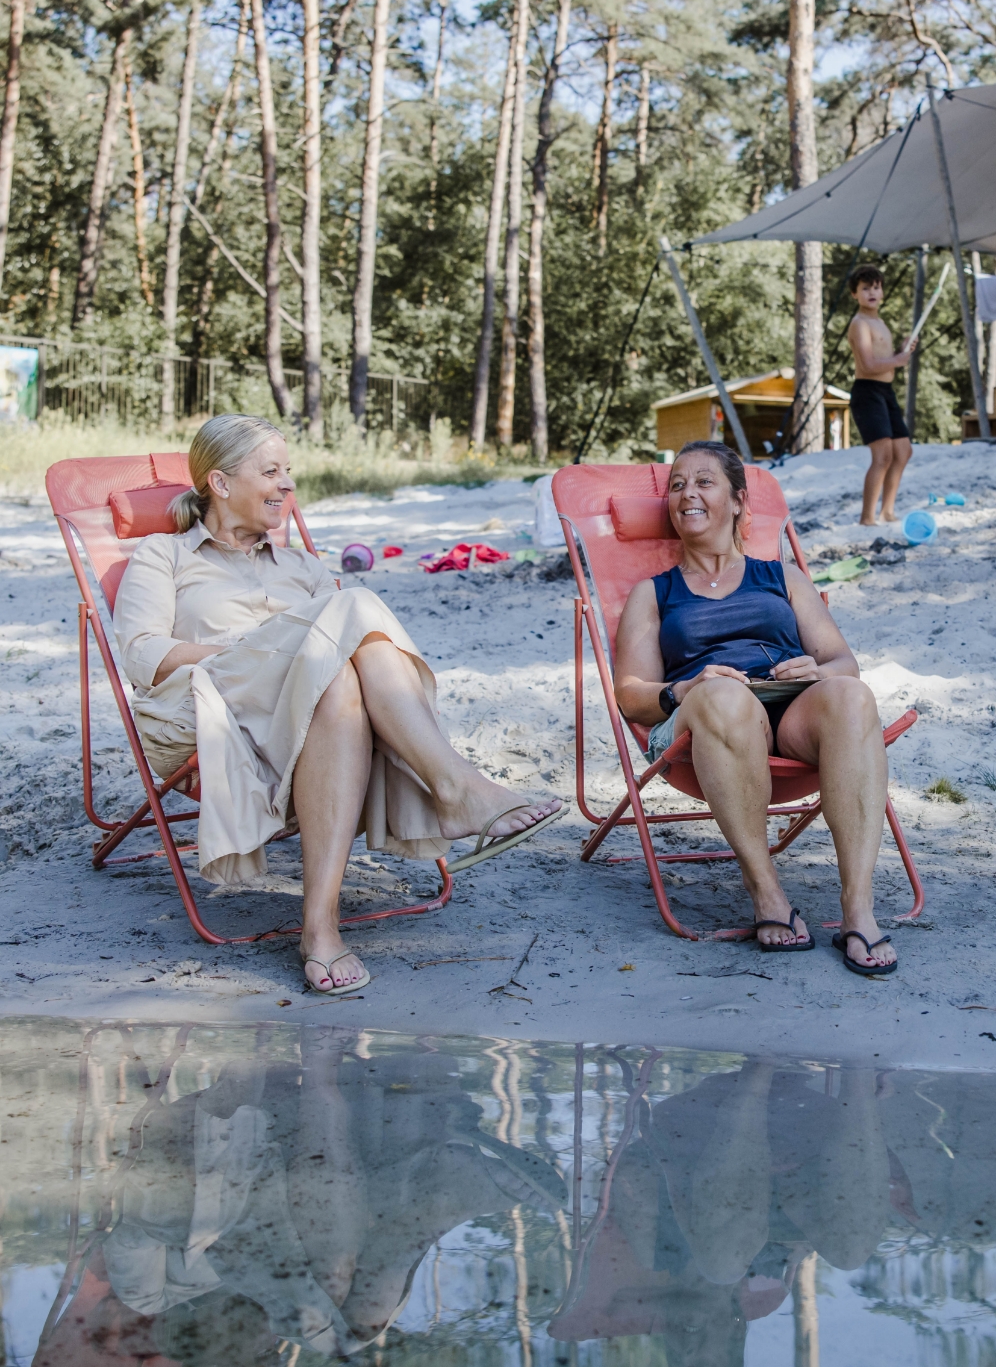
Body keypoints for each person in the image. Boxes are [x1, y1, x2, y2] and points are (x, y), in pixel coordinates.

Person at [111, 415, 568, 997]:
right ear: (220, 484)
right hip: (208, 709)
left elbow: (355, 657)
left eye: (288, 473)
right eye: (270, 472)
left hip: (301, 716)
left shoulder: (301, 565)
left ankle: (320, 929)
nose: (286, 486)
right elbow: (145, 655)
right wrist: (261, 649)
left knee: (341, 681)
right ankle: (455, 787)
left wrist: (300, 656)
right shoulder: (163, 555)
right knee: (353, 608)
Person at [610, 441, 902, 974]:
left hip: (790, 711)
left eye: (703, 481)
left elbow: (842, 662)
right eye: (677, 485)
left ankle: (858, 906)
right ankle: (765, 890)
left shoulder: (782, 577)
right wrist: (686, 686)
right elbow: (630, 692)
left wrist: (817, 672)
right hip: (706, 718)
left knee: (852, 697)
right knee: (723, 695)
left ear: (739, 501)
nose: (686, 493)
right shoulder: (654, 594)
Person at [844, 264, 916, 528]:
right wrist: (898, 360)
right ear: (855, 294)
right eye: (865, 288)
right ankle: (867, 517)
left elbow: (887, 358)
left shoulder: (879, 322)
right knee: (883, 456)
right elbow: (869, 365)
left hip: (886, 392)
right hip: (867, 392)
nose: (872, 292)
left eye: (876, 287)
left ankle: (887, 511)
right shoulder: (859, 324)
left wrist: (903, 348)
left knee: (903, 451)